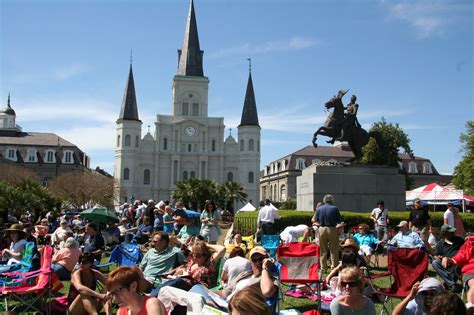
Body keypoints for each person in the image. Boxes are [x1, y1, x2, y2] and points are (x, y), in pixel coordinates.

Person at [150, 241, 225, 296]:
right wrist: (179, 272)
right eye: (193, 255)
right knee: (171, 281)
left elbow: (222, 249)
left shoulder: (209, 263)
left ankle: (151, 296)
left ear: (205, 255)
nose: (194, 257)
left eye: (198, 255)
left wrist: (206, 245)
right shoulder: (192, 262)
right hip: (184, 286)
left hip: (198, 289)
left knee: (178, 281)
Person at [442, 235, 474, 312]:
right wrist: (451, 260)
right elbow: (461, 255)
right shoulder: (470, 242)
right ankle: (471, 305)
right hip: (471, 270)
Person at [431, 224, 464, 291]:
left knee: (457, 265)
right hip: (446, 264)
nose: (453, 233)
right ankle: (451, 284)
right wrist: (440, 257)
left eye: (453, 232)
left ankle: (448, 283)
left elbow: (465, 250)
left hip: (458, 262)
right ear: (445, 234)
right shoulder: (441, 243)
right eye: (451, 232)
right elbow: (436, 255)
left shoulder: (459, 240)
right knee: (435, 263)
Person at [315, 194, 341, 271]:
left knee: (323, 249)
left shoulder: (320, 209)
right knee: (334, 249)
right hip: (332, 229)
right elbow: (339, 221)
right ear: (332, 200)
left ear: (324, 200)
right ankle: (334, 267)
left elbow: (315, 219)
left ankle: (323, 268)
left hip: (322, 229)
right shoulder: (335, 208)